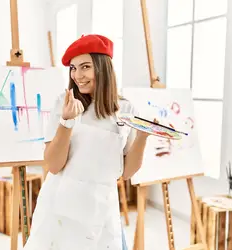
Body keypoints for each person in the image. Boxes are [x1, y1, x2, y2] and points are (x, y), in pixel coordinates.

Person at [23, 34, 150, 250]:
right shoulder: (64, 104)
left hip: (101, 207)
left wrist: (143, 136)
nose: (77, 75)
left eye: (85, 67)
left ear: (103, 67)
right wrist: (66, 122)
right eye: (73, 68)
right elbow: (53, 165)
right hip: (61, 208)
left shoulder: (125, 110)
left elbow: (126, 172)